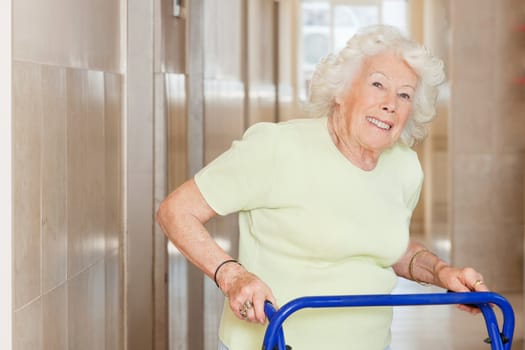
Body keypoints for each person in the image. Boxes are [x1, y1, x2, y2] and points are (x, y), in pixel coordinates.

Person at [156, 25, 488, 350]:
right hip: (274, 343)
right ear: (341, 91)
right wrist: (232, 277)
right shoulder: (276, 147)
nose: (391, 103)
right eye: (378, 85)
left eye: (404, 95)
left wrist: (443, 273)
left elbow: (388, 247)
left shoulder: (404, 166)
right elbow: (176, 212)